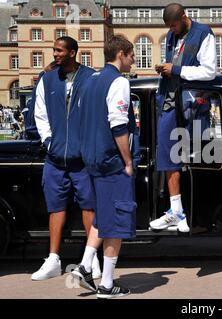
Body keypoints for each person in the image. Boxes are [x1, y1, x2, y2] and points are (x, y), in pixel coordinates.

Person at [71, 35, 139, 299]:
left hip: (92, 159)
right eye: (131, 54)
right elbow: (118, 125)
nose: (133, 59)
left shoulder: (89, 81)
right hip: (112, 161)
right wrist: (128, 161)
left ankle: (86, 266)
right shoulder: (119, 82)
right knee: (118, 221)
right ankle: (107, 285)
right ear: (121, 54)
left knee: (103, 215)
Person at [32, 37, 100, 281]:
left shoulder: (91, 78)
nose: (55, 54)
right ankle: (52, 259)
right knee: (56, 206)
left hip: (83, 159)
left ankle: (90, 261)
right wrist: (49, 141)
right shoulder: (47, 79)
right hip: (55, 158)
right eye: (54, 50)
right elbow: (39, 113)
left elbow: (98, 114)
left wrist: (90, 145)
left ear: (73, 53)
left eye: (59, 50)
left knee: (89, 206)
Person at [149, 3, 216, 232]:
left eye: (174, 25)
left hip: (194, 104)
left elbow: (209, 71)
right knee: (168, 156)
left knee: (197, 159)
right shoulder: (171, 35)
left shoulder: (204, 33)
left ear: (184, 17)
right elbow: (176, 62)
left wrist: (175, 70)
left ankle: (194, 215)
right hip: (170, 100)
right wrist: (166, 69)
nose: (172, 30)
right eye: (169, 26)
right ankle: (176, 211)